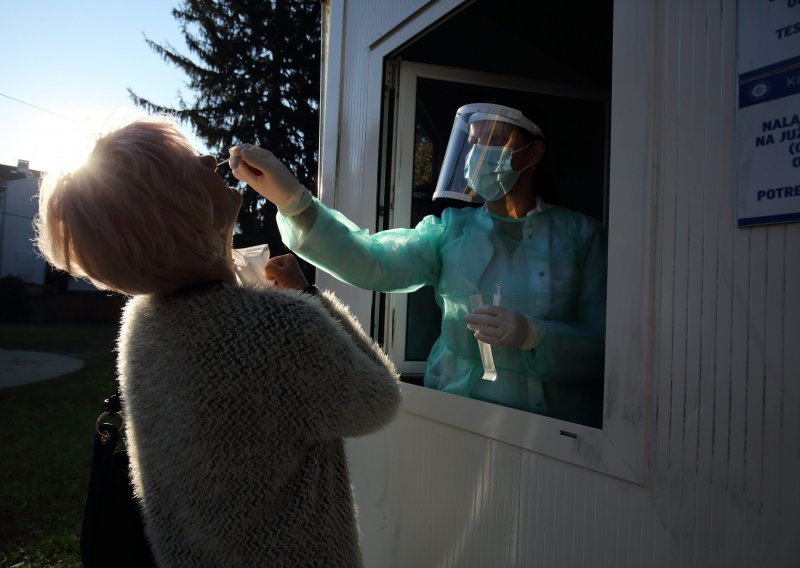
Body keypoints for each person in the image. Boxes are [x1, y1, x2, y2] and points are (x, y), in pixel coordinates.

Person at [35, 115, 401, 566]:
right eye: (189, 163)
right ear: (173, 206)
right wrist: (309, 299)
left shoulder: (140, 324)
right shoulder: (276, 326)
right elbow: (379, 399)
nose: (209, 158)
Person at [230, 103, 607, 426]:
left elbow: (605, 348)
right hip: (457, 420)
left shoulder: (581, 237)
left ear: (532, 154)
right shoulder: (452, 231)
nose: (477, 153)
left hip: (559, 437)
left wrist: (535, 336)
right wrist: (295, 204)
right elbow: (372, 259)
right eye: (472, 141)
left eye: (492, 138)